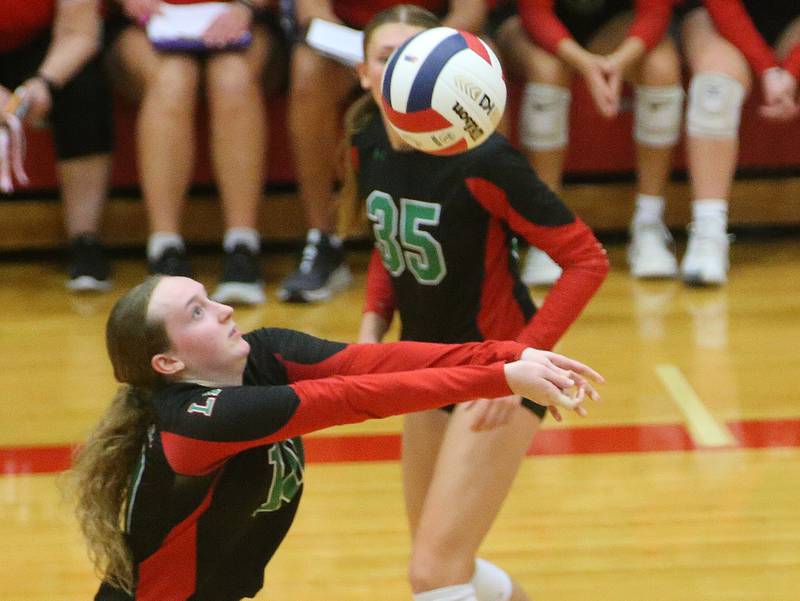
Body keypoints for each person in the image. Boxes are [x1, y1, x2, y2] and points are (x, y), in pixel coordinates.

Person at [69, 274, 602, 600]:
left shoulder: (267, 354)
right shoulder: (196, 423)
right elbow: (354, 398)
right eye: (198, 313)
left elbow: (374, 363)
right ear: (169, 361)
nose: (225, 309)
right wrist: (499, 379)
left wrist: (509, 354)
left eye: (209, 299)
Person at [341, 6, 609, 600]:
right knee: (440, 563)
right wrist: (370, 331)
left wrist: (517, 369)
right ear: (365, 74)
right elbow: (394, 246)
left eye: (420, 55)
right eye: (389, 58)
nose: (406, 71)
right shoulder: (367, 145)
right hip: (424, 370)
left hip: (496, 371)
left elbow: (587, 260)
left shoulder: (485, 159)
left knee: (433, 571)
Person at [278, 0, 487, 303]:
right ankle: (323, 238)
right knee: (308, 68)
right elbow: (312, 12)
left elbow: (471, 12)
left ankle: (479, 232)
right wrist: (372, 55)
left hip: (433, 41)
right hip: (352, 48)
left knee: (484, 65)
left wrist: (424, 57)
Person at [491, 0, 681, 286]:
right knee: (547, 72)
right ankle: (547, 230)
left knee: (661, 68)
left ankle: (649, 223)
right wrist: (585, 63)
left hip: (614, 20)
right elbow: (535, 13)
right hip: (531, 22)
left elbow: (655, 12)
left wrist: (617, 63)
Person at [108, 0, 281, 305]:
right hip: (147, 24)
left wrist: (247, 8)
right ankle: (164, 248)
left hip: (243, 18)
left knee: (233, 78)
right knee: (172, 79)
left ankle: (242, 246)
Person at [677, 0, 800, 285]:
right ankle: (709, 231)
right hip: (717, 15)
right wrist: (767, 69)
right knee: (715, 89)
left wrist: (791, 72)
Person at [0, 0, 114, 291]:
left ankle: (84, 241)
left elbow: (81, 33)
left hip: (38, 48)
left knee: (84, 85)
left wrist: (44, 84)